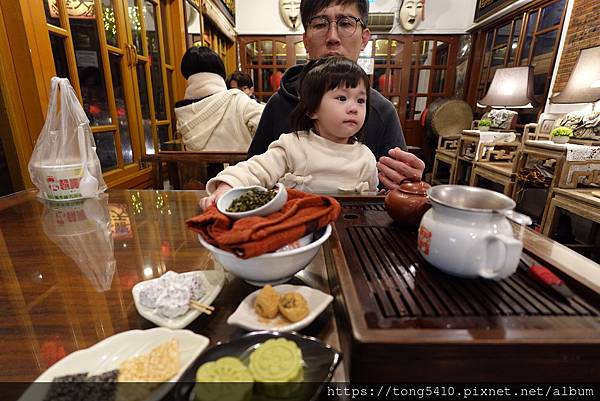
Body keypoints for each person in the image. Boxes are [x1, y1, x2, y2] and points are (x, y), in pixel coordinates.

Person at [248, 0, 425, 190]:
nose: (332, 37)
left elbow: (387, 194)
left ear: (364, 38)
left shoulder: (382, 111)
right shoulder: (279, 104)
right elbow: (254, 178)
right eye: (320, 24)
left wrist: (408, 183)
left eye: (346, 23)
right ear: (305, 39)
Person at [200, 56, 377, 210]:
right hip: (297, 228)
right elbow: (256, 169)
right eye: (342, 98)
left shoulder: (365, 157)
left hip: (345, 231)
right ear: (312, 109)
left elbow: (371, 203)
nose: (354, 108)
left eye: (360, 100)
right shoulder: (293, 145)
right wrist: (226, 185)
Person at [174, 46, 264, 152]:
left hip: (201, 168)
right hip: (241, 167)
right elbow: (270, 127)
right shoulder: (237, 100)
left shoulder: (183, 112)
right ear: (221, 72)